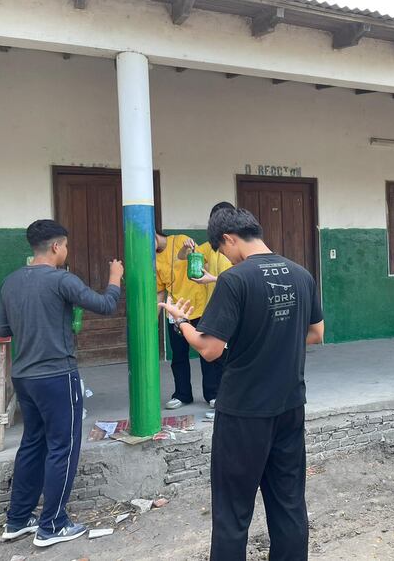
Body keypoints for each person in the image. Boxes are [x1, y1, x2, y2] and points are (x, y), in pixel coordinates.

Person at [159, 208, 324, 561]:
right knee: (289, 501)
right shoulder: (300, 274)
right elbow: (316, 333)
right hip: (290, 405)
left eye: (222, 250)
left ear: (229, 238)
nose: (224, 257)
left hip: (244, 412)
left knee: (233, 511)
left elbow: (209, 348)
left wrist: (182, 321)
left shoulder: (236, 279)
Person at [0, 220, 122, 547]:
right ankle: (52, 524)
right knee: (62, 447)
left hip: (23, 376)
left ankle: (18, 519)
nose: (66, 251)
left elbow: (1, 332)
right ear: (55, 247)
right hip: (56, 376)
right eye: (65, 246)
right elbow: (106, 305)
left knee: (32, 444)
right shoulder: (62, 279)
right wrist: (114, 279)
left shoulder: (10, 282)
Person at [177, 201, 235, 418]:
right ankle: (217, 398)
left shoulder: (237, 248)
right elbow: (184, 258)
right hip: (216, 308)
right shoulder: (214, 248)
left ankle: (226, 402)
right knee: (213, 355)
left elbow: (243, 280)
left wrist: (212, 278)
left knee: (227, 358)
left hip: (234, 310)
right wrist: (186, 248)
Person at [156, 230, 220, 411]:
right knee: (179, 355)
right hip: (176, 312)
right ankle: (182, 394)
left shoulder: (182, 240)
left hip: (198, 307)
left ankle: (212, 394)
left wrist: (185, 250)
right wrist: (154, 319)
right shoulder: (153, 259)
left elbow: (195, 260)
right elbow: (160, 290)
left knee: (206, 354)